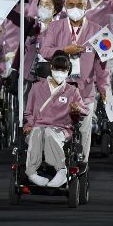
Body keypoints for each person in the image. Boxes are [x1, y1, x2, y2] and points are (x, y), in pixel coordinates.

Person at [40, 0, 111, 162]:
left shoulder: (98, 31)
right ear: (65, 6)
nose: (75, 8)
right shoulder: (55, 27)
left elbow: (102, 66)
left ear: (86, 6)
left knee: (85, 131)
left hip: (85, 90)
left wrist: (104, 89)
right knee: (57, 128)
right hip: (58, 89)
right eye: (71, 5)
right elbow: (45, 50)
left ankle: (82, 165)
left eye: (79, 5)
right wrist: (64, 50)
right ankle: (55, 161)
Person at [23, 51, 89, 187]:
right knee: (38, 131)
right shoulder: (36, 88)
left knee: (49, 132)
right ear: (51, 68)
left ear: (68, 71)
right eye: (57, 69)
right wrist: (30, 124)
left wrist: (78, 108)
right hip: (38, 127)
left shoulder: (72, 91)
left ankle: (61, 170)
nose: (60, 72)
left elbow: (85, 111)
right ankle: (31, 172)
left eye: (63, 70)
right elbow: (28, 112)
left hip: (61, 129)